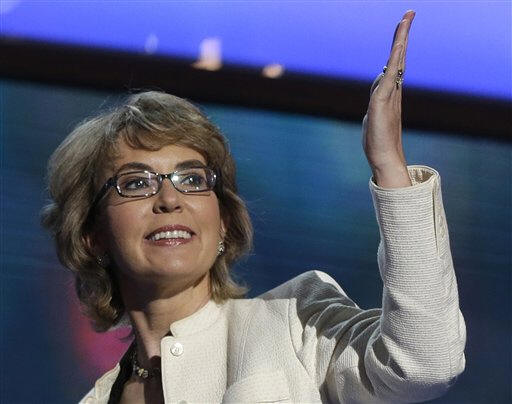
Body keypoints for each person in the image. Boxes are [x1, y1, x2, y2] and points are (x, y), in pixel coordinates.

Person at [42, 10, 465, 403]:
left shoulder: (295, 323)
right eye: (137, 183)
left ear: (223, 222)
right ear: (92, 235)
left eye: (193, 180)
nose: (169, 199)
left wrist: (389, 165)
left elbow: (424, 363)